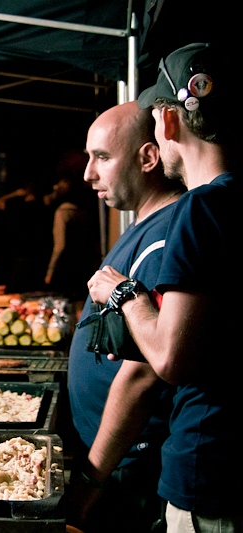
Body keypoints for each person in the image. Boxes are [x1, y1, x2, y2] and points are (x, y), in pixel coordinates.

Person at [87, 43, 242, 532]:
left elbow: (171, 359)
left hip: (208, 471)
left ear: (169, 123)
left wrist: (122, 295)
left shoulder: (202, 210)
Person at [66, 102, 185, 532]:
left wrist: (91, 476)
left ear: (149, 157)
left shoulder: (164, 237)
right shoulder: (142, 225)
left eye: (102, 157)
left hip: (128, 469)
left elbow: (143, 375)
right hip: (117, 461)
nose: (88, 174)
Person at [44, 151, 101, 307]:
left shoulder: (62, 212)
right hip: (85, 266)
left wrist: (50, 272)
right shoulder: (84, 212)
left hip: (66, 269)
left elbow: (60, 245)